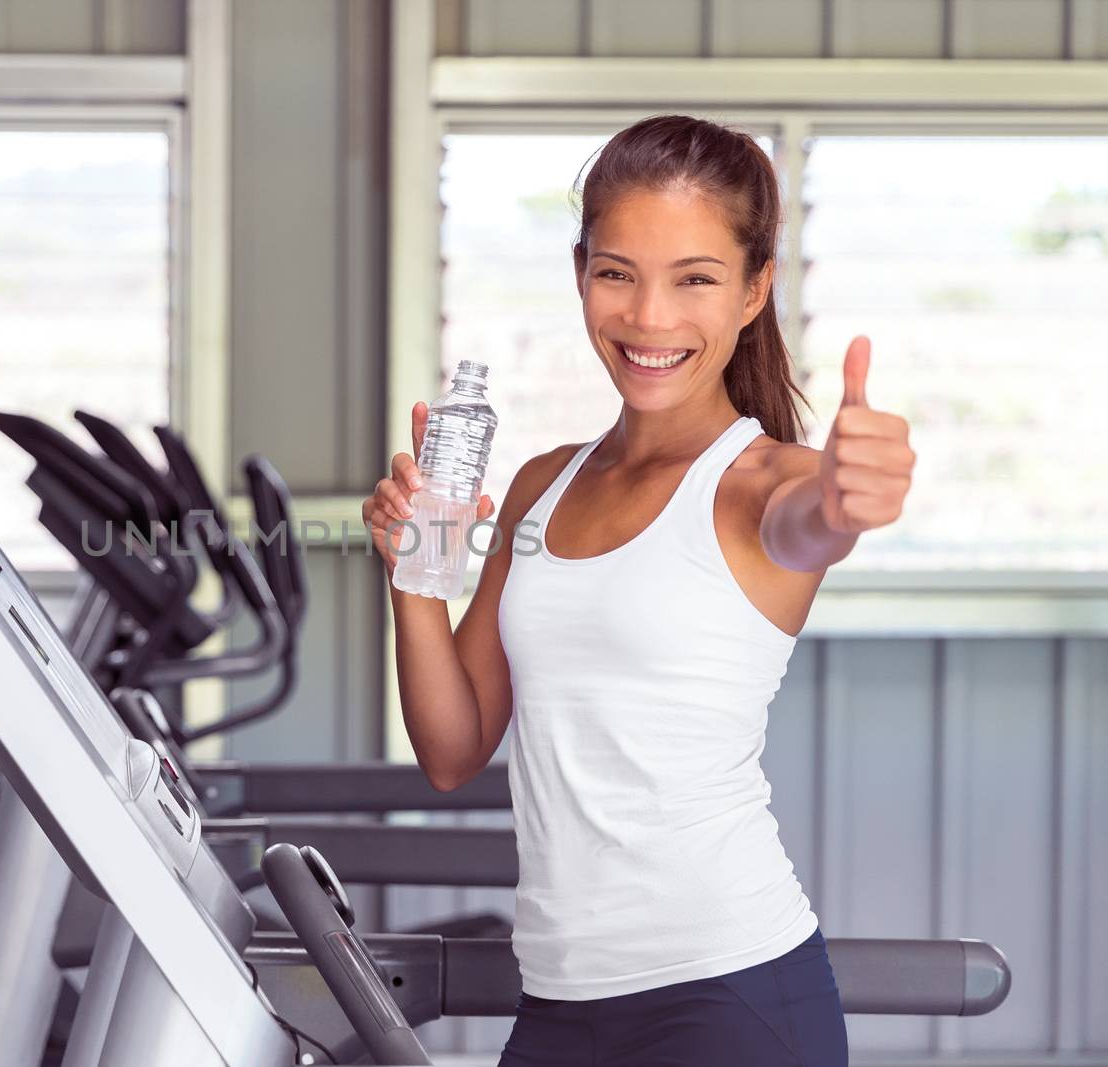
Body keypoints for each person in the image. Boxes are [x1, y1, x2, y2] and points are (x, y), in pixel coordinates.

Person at [361, 114, 916, 1066]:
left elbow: (812, 521)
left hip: (728, 996)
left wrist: (848, 498)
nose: (649, 317)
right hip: (559, 1004)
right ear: (581, 273)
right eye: (617, 272)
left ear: (754, 290)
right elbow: (453, 752)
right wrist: (414, 574)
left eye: (694, 278)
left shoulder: (764, 484)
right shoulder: (543, 482)